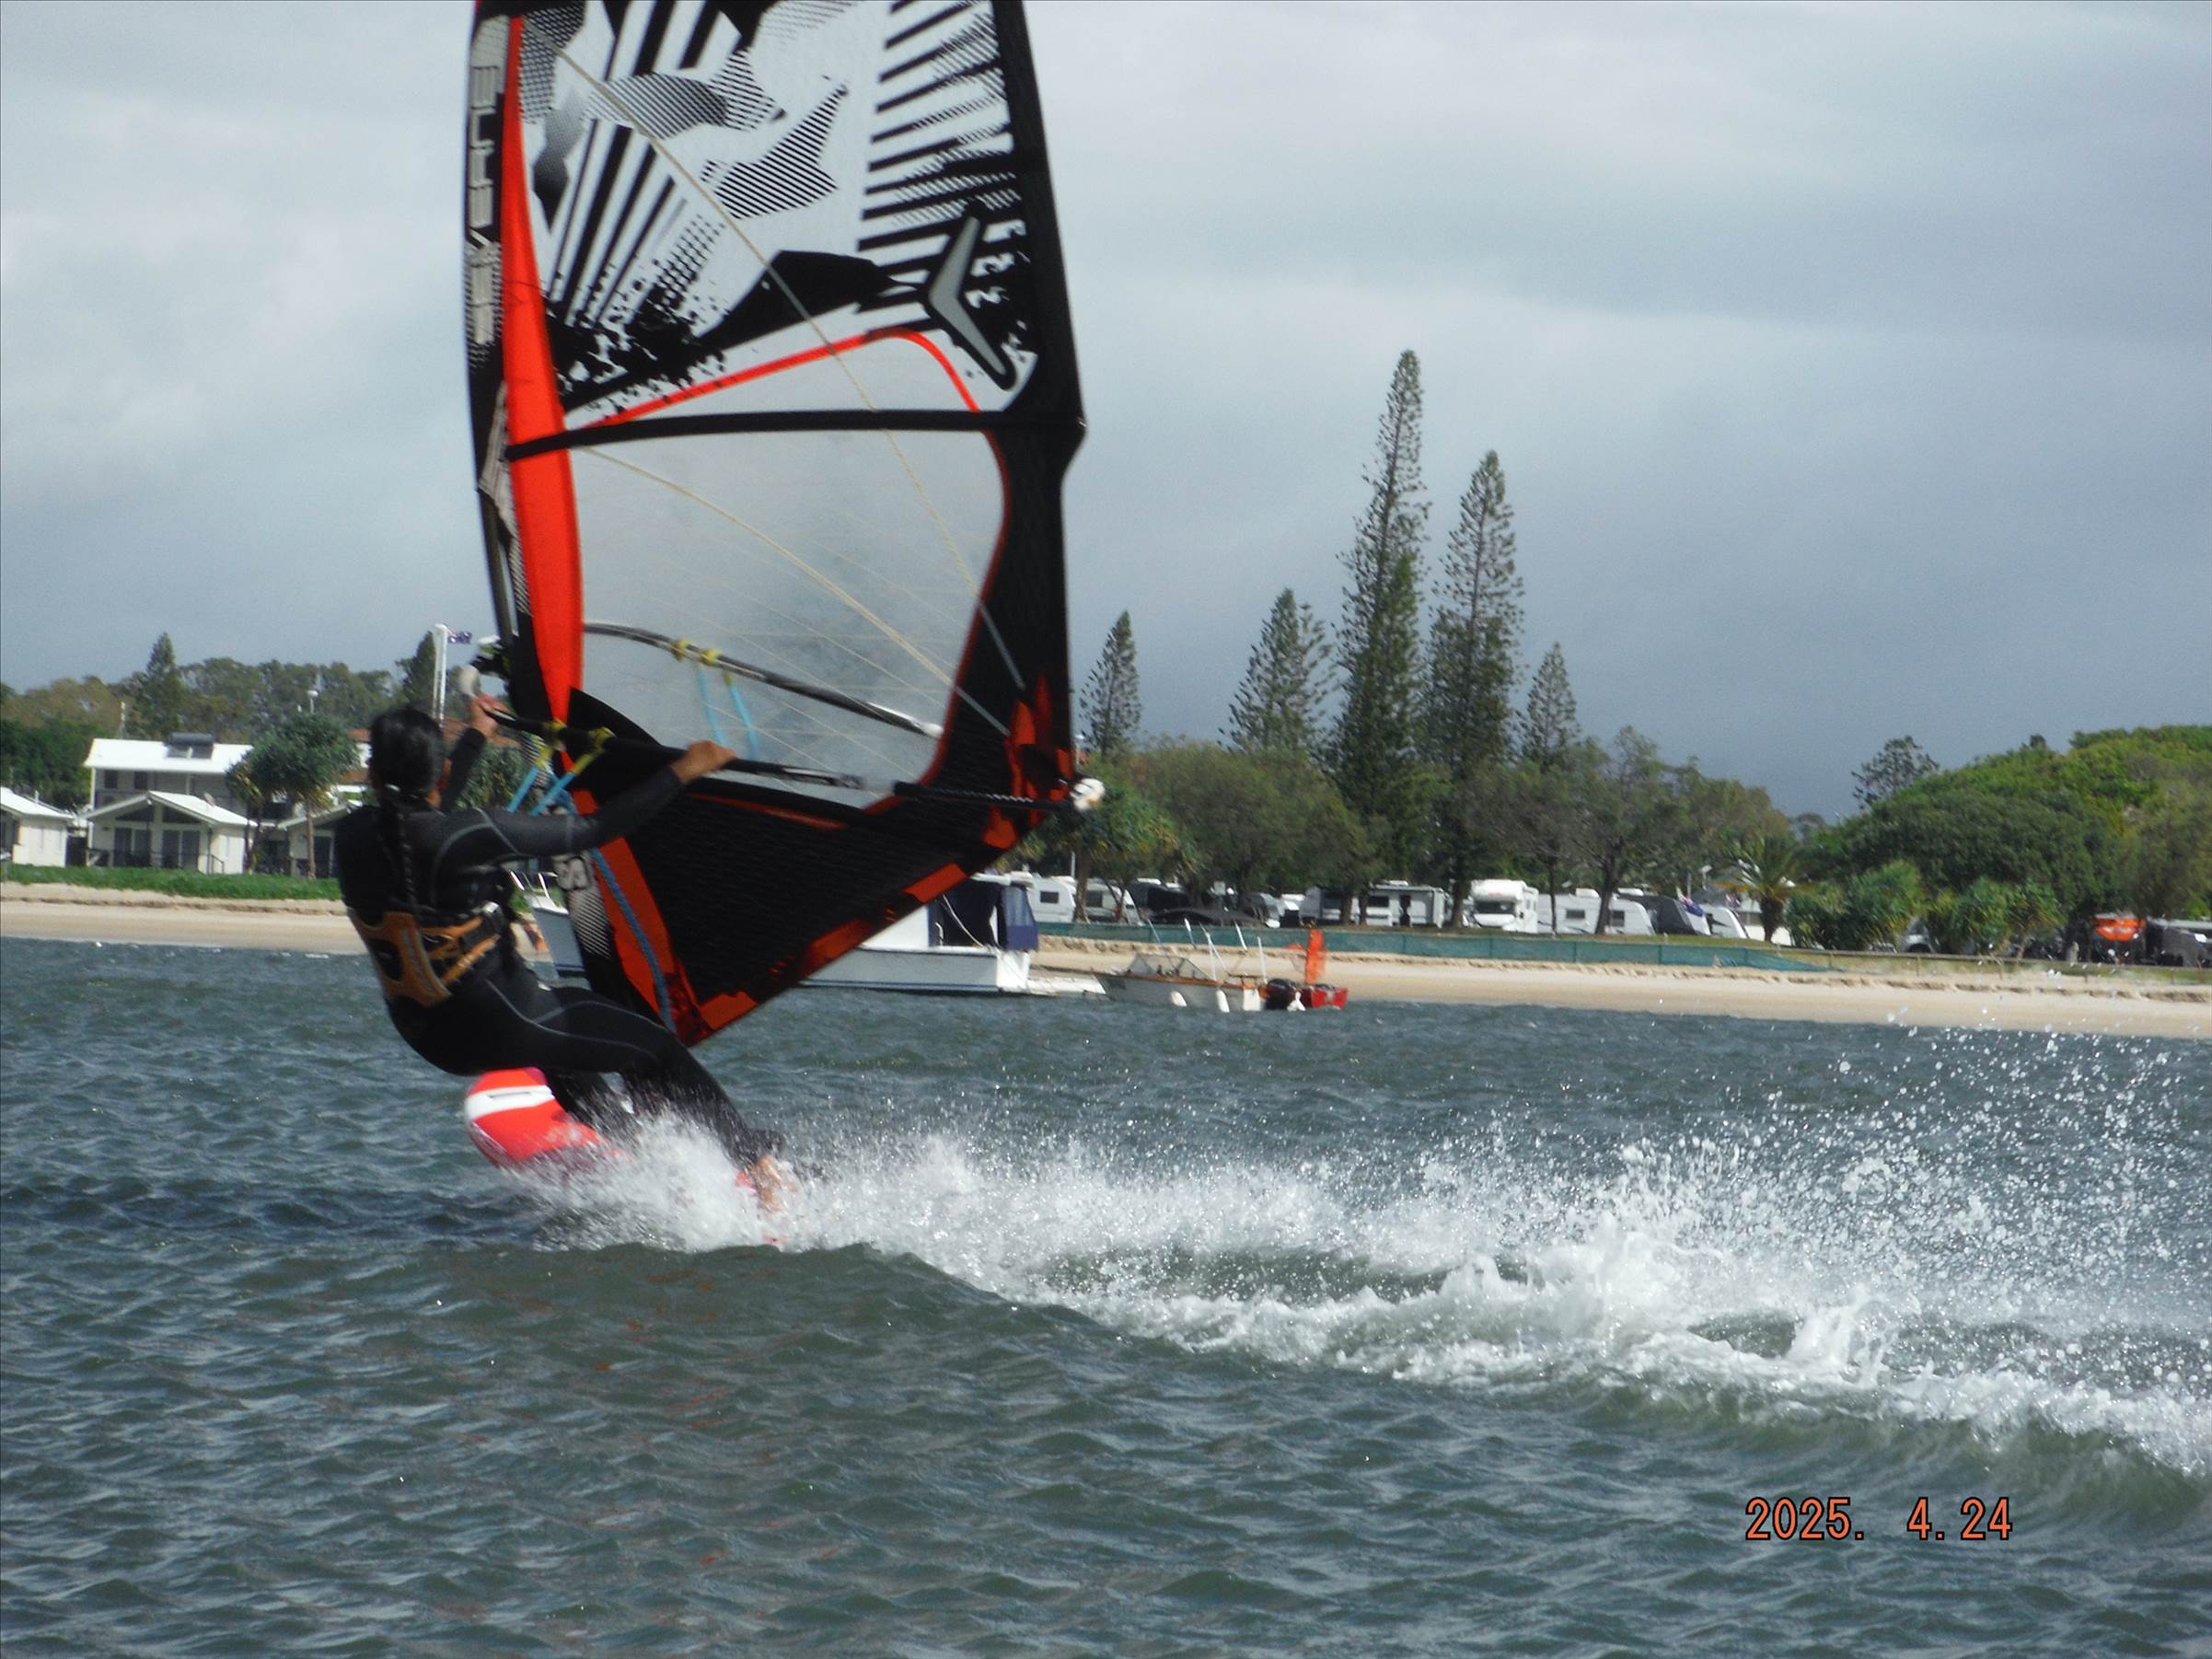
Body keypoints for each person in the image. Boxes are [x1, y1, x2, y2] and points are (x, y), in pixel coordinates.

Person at [334, 696, 786, 1192]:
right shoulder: (474, 833)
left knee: (562, 1055)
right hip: (502, 1020)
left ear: (373, 774)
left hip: (429, 1038)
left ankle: (649, 1157)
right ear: (436, 771)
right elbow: (595, 828)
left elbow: (419, 819)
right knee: (657, 1050)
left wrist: (476, 738)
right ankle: (764, 1175)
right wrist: (686, 768)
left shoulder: (352, 836)